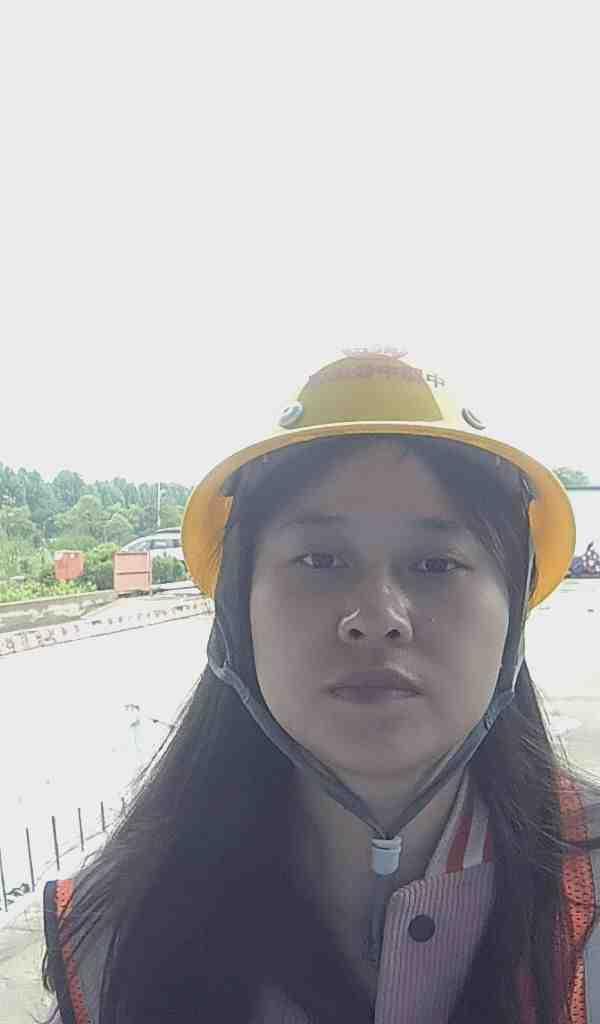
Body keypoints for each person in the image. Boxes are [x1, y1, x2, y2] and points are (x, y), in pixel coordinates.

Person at [41, 350, 600, 1023]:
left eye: (436, 564)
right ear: (237, 613)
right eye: (320, 559)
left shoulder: (588, 905)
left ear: (513, 614)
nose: (377, 617)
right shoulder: (113, 935)